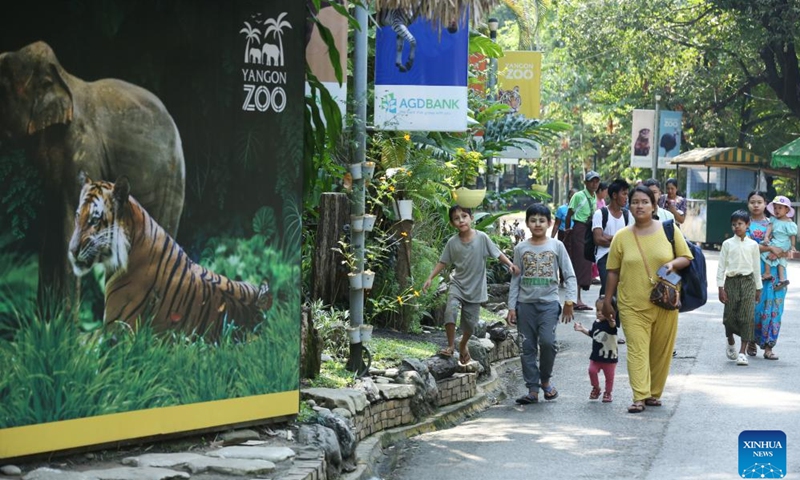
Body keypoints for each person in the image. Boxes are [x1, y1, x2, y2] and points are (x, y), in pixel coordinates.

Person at [601, 185, 693, 413]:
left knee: (661, 350)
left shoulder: (669, 231)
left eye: (644, 201)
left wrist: (671, 264)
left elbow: (686, 258)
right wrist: (607, 300)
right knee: (636, 349)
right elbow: (612, 271)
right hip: (632, 305)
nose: (639, 206)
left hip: (665, 302)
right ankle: (640, 395)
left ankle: (654, 393)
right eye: (635, 202)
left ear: (654, 206)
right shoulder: (621, 237)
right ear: (628, 205)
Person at [423, 205, 519, 364]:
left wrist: (510, 264)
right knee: (450, 311)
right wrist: (430, 278)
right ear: (453, 223)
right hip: (458, 286)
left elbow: (497, 253)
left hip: (475, 290)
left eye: (464, 216)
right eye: (456, 218)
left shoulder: (482, 238)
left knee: (469, 326)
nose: (461, 220)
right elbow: (443, 262)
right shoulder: (452, 243)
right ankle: (450, 346)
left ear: (471, 218)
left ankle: (463, 344)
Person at [507, 203, 576, 404]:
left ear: (549, 223)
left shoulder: (557, 246)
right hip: (525, 304)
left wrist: (569, 301)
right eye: (533, 220)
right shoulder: (521, 248)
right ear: (527, 223)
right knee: (526, 347)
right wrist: (512, 307)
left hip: (549, 304)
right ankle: (532, 389)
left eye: (542, 220)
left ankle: (545, 380)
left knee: (547, 343)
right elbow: (515, 280)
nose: (537, 224)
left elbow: (569, 275)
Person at [717, 210, 762, 366]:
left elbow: (756, 267)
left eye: (740, 224)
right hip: (731, 282)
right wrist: (720, 287)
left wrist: (759, 288)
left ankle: (742, 353)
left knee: (747, 317)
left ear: (747, 224)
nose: (737, 227)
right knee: (729, 317)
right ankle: (730, 341)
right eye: (734, 224)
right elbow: (721, 266)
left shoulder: (753, 245)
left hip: (749, 281)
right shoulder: (727, 244)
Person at [746, 191, 787, 360]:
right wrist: (770, 248)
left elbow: (784, 245)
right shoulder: (744, 223)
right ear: (748, 204)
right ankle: (751, 340)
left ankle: (769, 346)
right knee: (754, 308)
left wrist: (778, 252)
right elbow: (747, 246)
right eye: (752, 202)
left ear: (765, 204)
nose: (756, 205)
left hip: (776, 272)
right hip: (754, 271)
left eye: (759, 202)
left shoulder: (776, 223)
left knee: (775, 309)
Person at [565, 171, 600, 310]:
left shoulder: (594, 196)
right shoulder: (579, 195)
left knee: (586, 262)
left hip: (588, 229)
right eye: (592, 181)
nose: (594, 184)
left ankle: (578, 298)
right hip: (579, 229)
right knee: (579, 262)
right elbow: (569, 214)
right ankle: (575, 299)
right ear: (585, 183)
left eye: (597, 181)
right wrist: (568, 230)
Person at [573, 297, 618, 403]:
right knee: (591, 371)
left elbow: (613, 325)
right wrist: (582, 329)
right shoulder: (596, 323)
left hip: (609, 358)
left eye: (603, 311)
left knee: (609, 377)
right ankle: (596, 387)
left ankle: (608, 392)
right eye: (597, 310)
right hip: (596, 356)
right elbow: (593, 334)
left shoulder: (611, 324)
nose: (599, 313)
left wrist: (611, 319)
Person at [761, 195, 797, 289]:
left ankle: (770, 274)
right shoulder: (773, 220)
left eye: (780, 208)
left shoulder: (789, 222)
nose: (777, 210)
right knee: (772, 256)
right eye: (775, 208)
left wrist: (793, 246)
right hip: (775, 241)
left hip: (784, 243)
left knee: (772, 256)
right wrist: (766, 237)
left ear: (787, 210)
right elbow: (769, 228)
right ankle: (780, 279)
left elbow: (792, 235)